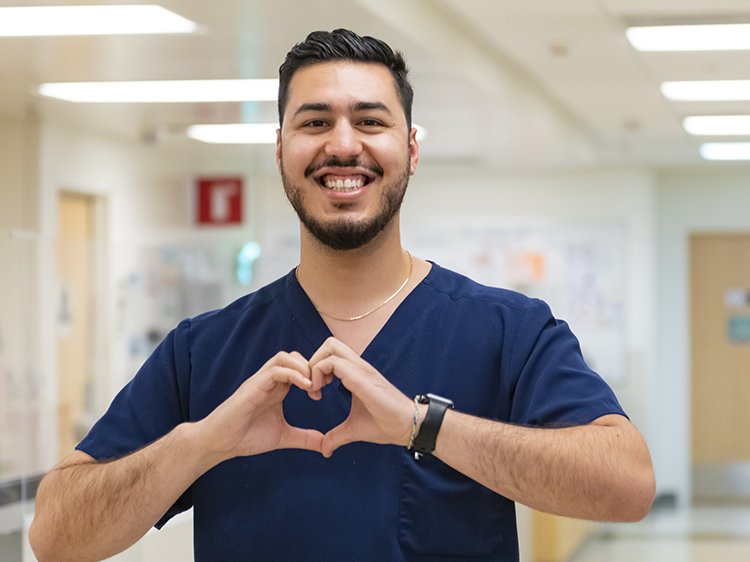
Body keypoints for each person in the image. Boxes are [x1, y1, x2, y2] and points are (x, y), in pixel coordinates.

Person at [29, 28, 655, 562]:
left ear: (410, 150)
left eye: (372, 120)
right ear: (281, 151)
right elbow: (54, 536)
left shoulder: (506, 331)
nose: (344, 144)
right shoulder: (205, 350)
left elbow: (626, 485)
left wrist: (422, 425)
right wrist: (202, 442)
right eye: (315, 122)